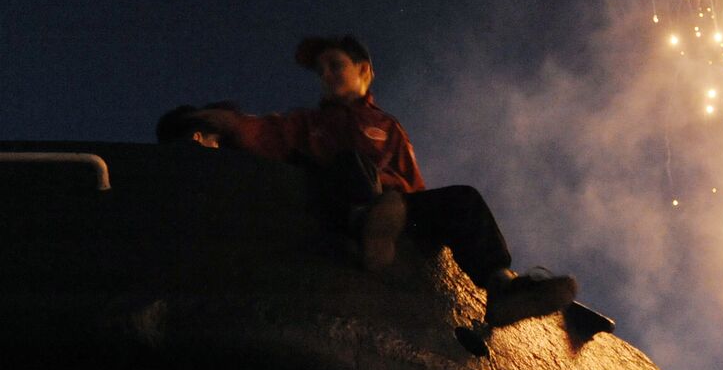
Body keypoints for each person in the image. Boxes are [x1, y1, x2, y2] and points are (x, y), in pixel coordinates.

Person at [191, 35, 577, 334]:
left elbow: (413, 183)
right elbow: (264, 131)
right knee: (350, 164)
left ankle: (502, 288)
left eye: (334, 65)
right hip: (346, 203)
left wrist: (399, 204)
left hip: (395, 210)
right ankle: (365, 226)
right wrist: (220, 121)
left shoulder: (387, 127)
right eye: (320, 70)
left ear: (363, 70)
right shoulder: (307, 123)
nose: (325, 75)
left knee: (464, 199)